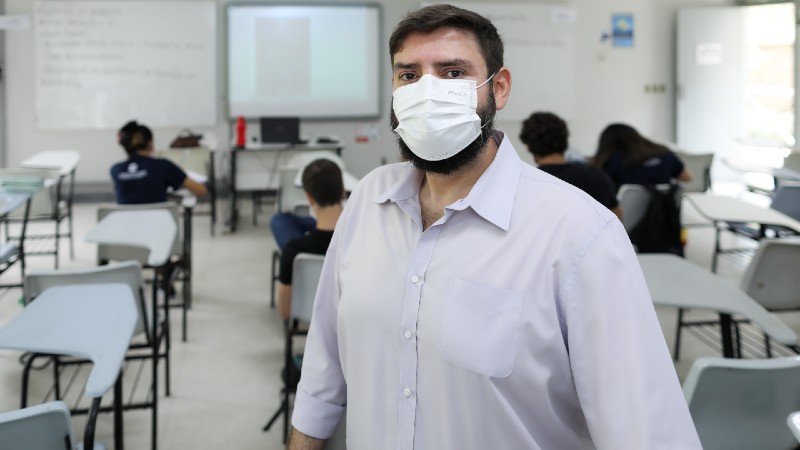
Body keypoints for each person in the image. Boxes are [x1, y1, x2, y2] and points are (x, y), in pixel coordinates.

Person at [289, 5, 702, 450]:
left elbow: (646, 431)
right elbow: (324, 366)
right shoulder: (368, 201)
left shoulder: (580, 235)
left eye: (452, 72)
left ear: (498, 88)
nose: (428, 92)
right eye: (409, 76)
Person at [520, 111, 623, 219]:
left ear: (528, 147)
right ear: (565, 141)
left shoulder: (528, 184)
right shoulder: (597, 176)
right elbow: (617, 217)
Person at [275, 159, 344, 320]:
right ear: (342, 191)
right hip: (349, 321)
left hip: (307, 315)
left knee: (279, 220)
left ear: (309, 198)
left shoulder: (293, 250)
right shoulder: (360, 241)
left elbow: (285, 311)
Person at [110, 120, 207, 204]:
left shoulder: (115, 170)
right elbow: (201, 190)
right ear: (150, 144)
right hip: (157, 223)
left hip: (126, 224)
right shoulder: (163, 166)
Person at [592, 123, 692, 191]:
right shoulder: (664, 153)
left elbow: (601, 193)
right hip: (666, 217)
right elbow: (687, 177)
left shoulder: (612, 162)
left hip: (625, 218)